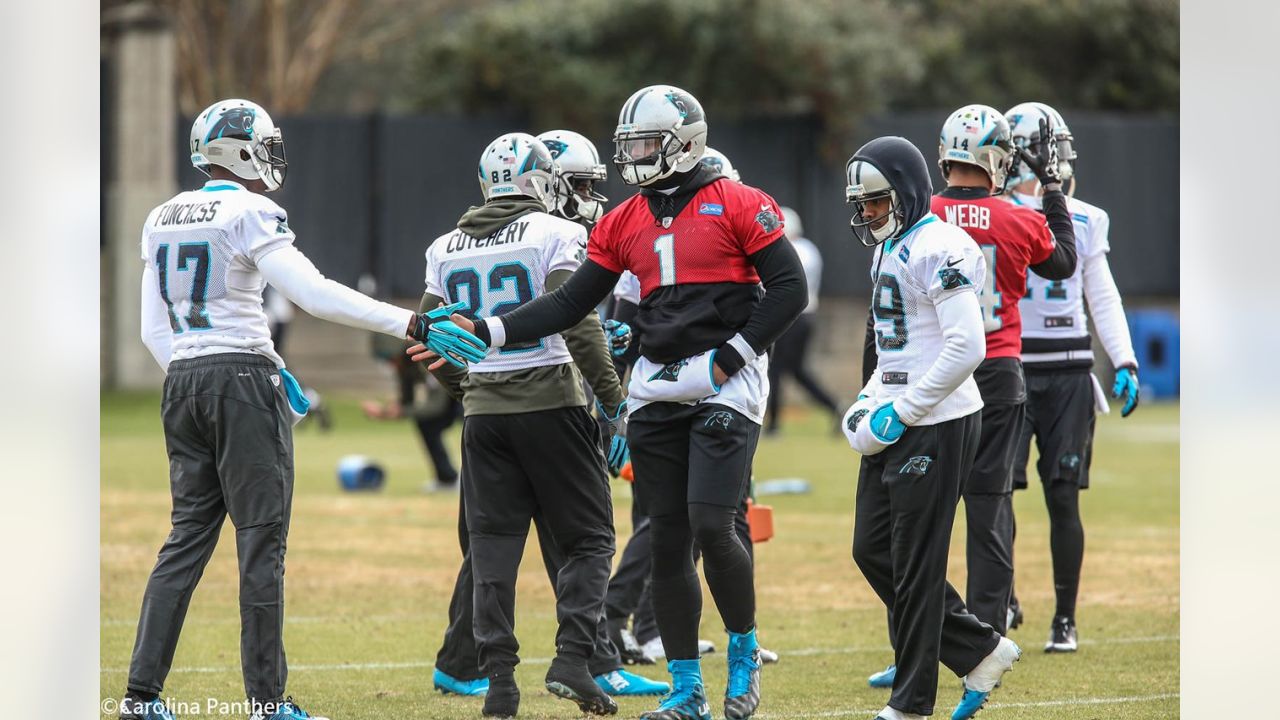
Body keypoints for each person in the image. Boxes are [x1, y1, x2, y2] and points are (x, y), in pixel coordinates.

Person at [417, 84, 807, 720]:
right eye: (631, 143)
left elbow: (789, 291)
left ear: (685, 141)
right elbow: (571, 306)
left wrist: (733, 355)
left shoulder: (740, 202)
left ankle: (742, 652)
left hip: (725, 381)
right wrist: (491, 331)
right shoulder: (624, 219)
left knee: (714, 523)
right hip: (655, 386)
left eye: (648, 142)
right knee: (668, 539)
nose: (637, 155)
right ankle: (686, 689)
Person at [122, 98, 445, 720]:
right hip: (241, 380)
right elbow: (313, 294)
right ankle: (267, 704)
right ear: (237, 150)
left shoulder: (161, 216)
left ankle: (141, 697)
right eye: (263, 144)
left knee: (185, 540)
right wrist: (411, 321)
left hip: (183, 379)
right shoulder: (250, 209)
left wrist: (203, 374)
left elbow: (152, 330)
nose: (272, 156)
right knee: (261, 544)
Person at [426, 129, 669, 708]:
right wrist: (614, 405)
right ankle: (573, 660)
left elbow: (433, 339)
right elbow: (579, 324)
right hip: (552, 404)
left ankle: (500, 683)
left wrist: (471, 389)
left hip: (484, 415)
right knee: (589, 541)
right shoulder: (556, 231)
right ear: (540, 179)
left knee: (492, 548)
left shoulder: (444, 247)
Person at [842, 135, 1021, 720]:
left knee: (917, 563)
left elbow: (967, 346)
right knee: (872, 550)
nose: (866, 213)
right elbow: (898, 348)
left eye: (874, 201)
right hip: (903, 412)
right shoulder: (888, 247)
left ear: (906, 191)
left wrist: (906, 408)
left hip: (940, 418)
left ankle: (912, 703)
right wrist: (869, 400)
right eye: (861, 204)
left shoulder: (939, 245)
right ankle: (982, 648)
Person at [1003, 101, 1141, 653]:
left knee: (1063, 497)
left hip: (1067, 370)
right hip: (1006, 366)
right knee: (996, 494)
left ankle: (1065, 617)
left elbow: (1101, 293)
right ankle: (1002, 596)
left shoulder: (1085, 216)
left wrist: (1124, 357)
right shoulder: (995, 214)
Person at [766, 206, 841, 435]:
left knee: (776, 369)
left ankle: (774, 424)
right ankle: (835, 407)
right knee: (796, 370)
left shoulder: (794, 250)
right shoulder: (809, 249)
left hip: (793, 316)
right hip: (807, 315)